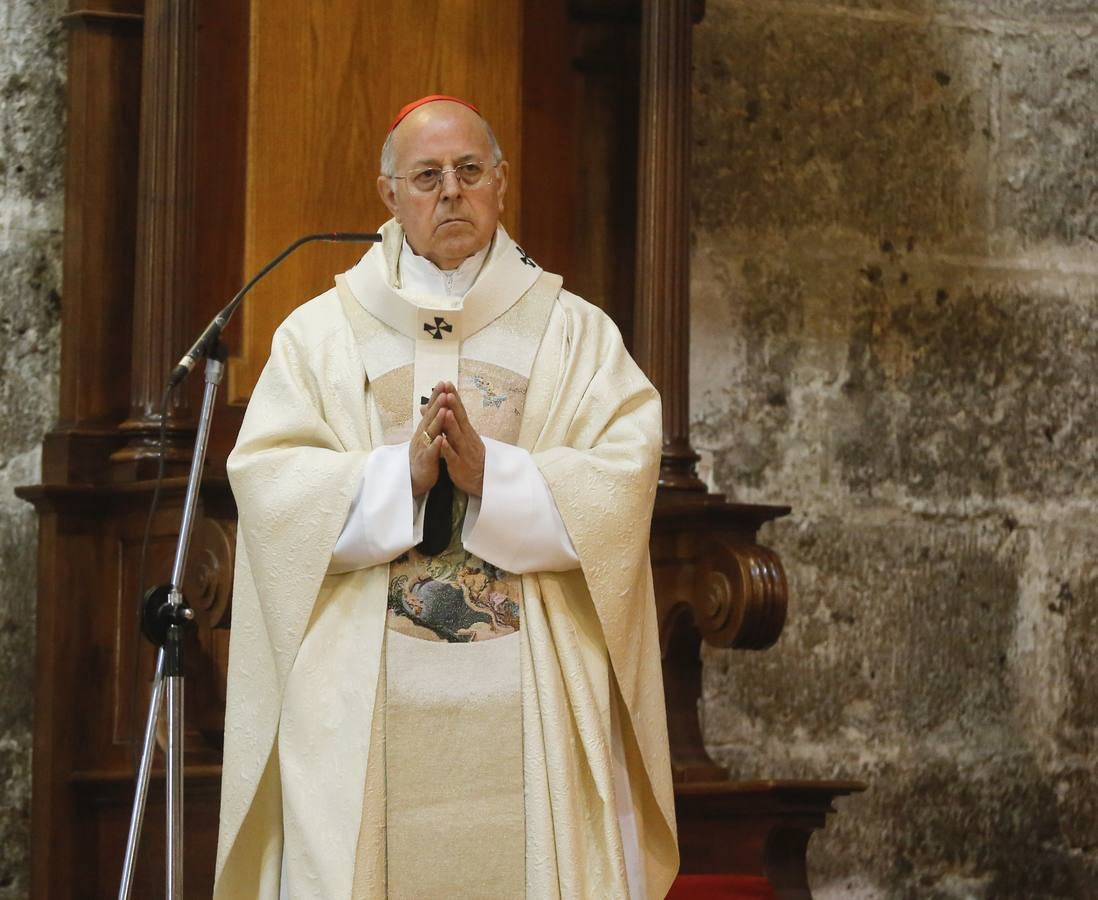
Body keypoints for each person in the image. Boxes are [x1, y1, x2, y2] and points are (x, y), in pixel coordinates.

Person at [213, 95, 678, 899]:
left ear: (502, 182)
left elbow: (623, 479)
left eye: (469, 170)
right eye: (427, 176)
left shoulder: (574, 334)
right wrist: (401, 478)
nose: (452, 192)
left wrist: (495, 477)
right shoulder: (319, 336)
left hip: (532, 687)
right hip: (361, 696)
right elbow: (271, 488)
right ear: (389, 194)